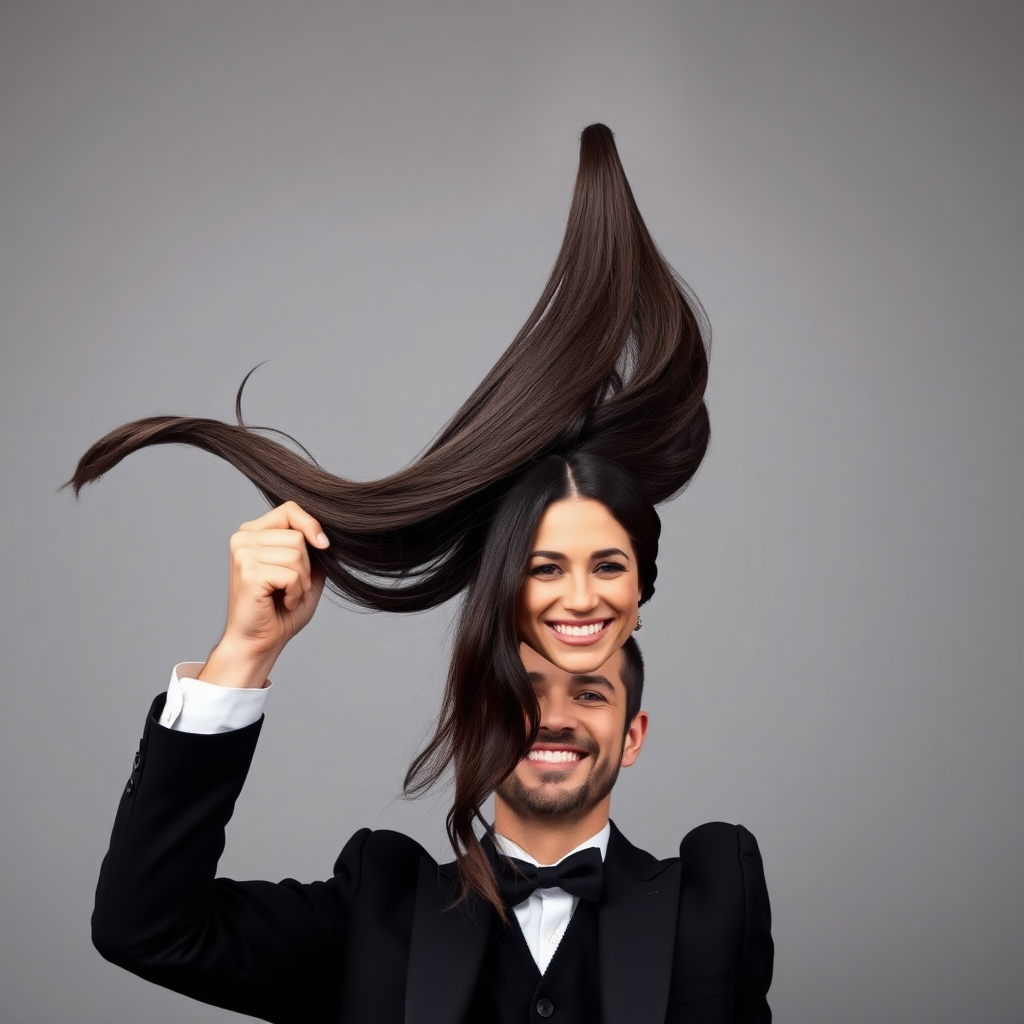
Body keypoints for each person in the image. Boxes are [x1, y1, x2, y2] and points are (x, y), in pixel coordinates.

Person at [74, 125, 773, 1021]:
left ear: (635, 733)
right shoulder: (379, 904)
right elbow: (146, 928)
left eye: (592, 696)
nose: (555, 713)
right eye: (546, 567)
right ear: (480, 705)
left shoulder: (715, 897)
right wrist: (243, 652)